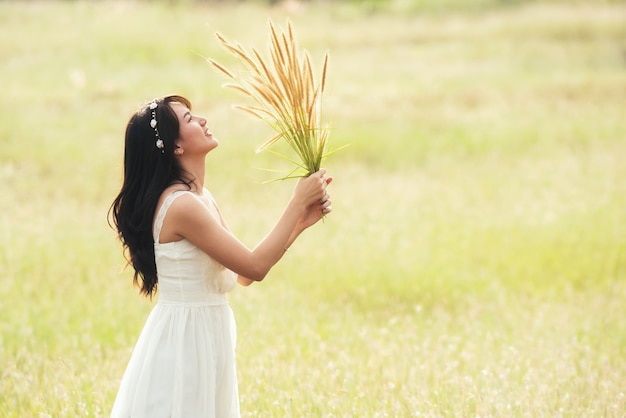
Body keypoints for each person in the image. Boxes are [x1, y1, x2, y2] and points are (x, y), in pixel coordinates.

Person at [108, 95, 332, 417]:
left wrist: (299, 224)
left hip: (206, 335)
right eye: (188, 120)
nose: (201, 120)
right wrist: (296, 203)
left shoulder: (200, 199)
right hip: (185, 342)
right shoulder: (182, 205)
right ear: (176, 148)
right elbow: (254, 268)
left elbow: (242, 274)